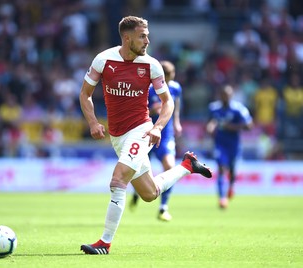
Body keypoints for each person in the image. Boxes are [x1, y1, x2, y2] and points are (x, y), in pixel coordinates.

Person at [79, 15, 212, 255]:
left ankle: (104, 243)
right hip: (117, 136)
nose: (147, 40)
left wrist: (157, 127)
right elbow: (85, 94)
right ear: (127, 37)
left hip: (140, 130)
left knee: (118, 180)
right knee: (150, 193)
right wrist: (92, 122)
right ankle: (187, 166)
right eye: (142, 36)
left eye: (147, 35)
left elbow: (167, 102)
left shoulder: (151, 65)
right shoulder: (103, 60)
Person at [130, 60, 183, 221]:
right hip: (147, 133)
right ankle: (137, 192)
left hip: (165, 134)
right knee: (140, 169)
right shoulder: (149, 88)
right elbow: (140, 108)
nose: (170, 78)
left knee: (169, 166)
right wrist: (152, 110)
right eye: (168, 75)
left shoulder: (175, 87)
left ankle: (163, 207)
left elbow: (175, 104)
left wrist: (176, 122)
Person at [206, 84, 253, 209]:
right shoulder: (214, 108)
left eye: (227, 95)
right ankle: (222, 198)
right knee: (221, 168)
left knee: (231, 170)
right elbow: (211, 121)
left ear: (231, 96)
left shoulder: (238, 109)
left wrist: (232, 127)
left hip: (234, 145)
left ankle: (231, 186)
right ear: (220, 95)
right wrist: (210, 127)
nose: (225, 97)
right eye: (223, 95)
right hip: (220, 144)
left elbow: (249, 125)